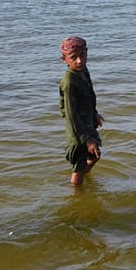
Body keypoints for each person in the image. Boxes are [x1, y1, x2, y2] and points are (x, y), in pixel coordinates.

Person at [59, 36, 103, 186]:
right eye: (74, 57)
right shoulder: (69, 82)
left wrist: (94, 114)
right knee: (79, 166)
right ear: (64, 59)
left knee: (95, 156)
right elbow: (71, 115)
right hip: (78, 133)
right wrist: (87, 139)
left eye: (82, 55)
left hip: (87, 124)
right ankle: (75, 194)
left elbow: (89, 94)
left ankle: (81, 181)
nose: (79, 61)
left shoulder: (83, 71)